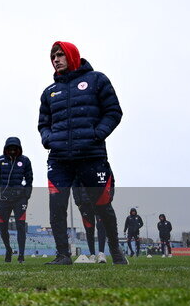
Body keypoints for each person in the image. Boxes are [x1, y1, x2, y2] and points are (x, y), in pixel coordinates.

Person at [38, 40, 126, 265]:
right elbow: (43, 123)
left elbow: (113, 111)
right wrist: (48, 139)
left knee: (102, 206)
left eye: (60, 55)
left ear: (71, 55)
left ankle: (116, 253)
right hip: (59, 159)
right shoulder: (49, 92)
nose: (56, 60)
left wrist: (97, 134)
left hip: (91, 156)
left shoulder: (97, 79)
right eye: (53, 57)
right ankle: (63, 255)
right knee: (57, 206)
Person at [0, 137, 33, 263]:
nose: (13, 150)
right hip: (3, 199)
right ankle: (8, 249)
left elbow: (29, 179)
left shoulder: (25, 161)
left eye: (15, 148)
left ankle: (21, 255)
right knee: (3, 227)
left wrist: (26, 195)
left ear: (19, 148)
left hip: (20, 199)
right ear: (6, 148)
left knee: (20, 226)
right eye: (10, 148)